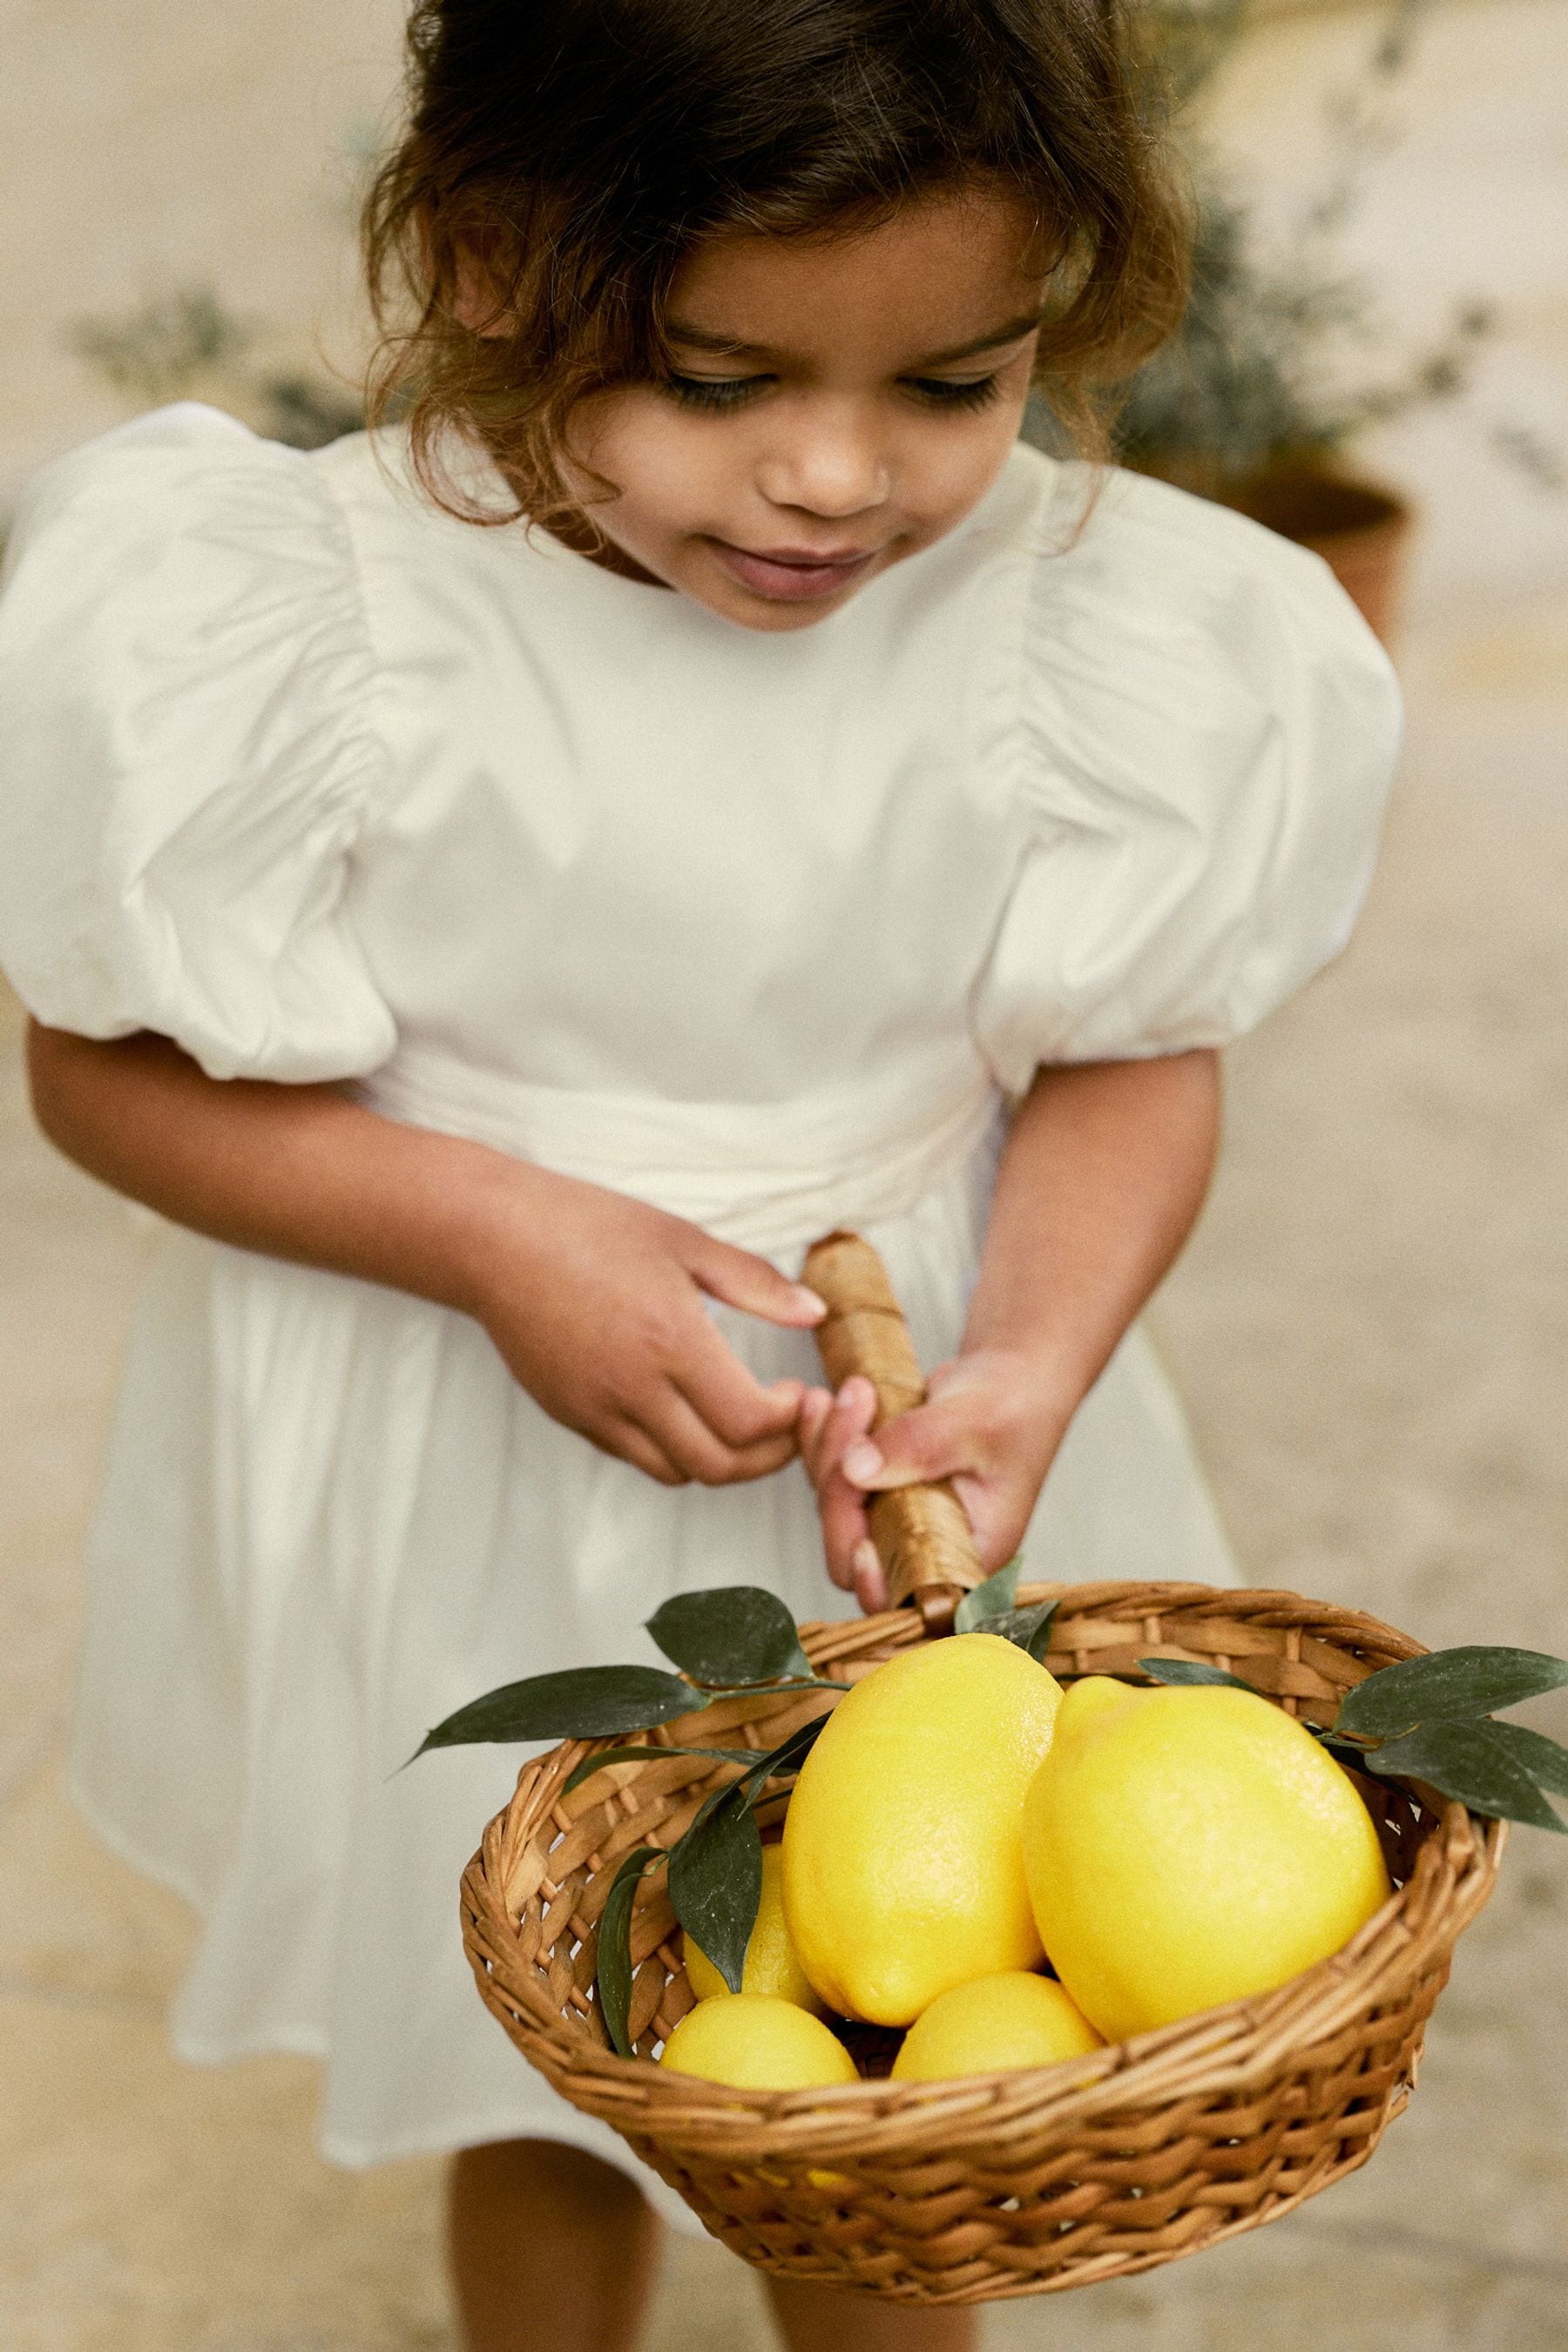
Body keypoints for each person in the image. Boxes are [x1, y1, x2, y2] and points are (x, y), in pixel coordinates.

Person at [0, 1, 1400, 2346]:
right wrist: (489, 1228)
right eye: (725, 378)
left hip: (887, 1456)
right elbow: (99, 1073)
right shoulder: (320, 623)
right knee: (527, 2053)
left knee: (897, 2064)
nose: (837, 478)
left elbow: (1135, 1056)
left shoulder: (1074, 619)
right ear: (485, 259)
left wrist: (1036, 1350)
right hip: (476, 1452)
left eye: (953, 386)